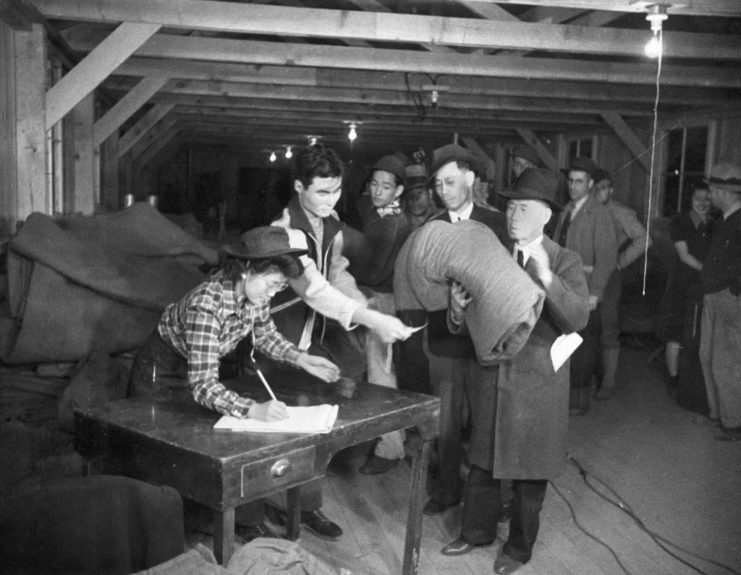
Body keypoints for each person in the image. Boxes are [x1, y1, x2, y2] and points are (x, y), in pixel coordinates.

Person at [127, 225, 342, 541]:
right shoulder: (208, 303)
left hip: (197, 369)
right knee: (175, 455)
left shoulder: (256, 293)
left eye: (279, 288)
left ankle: (243, 519)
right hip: (161, 373)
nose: (272, 294)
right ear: (247, 270)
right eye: (271, 285)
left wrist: (300, 358)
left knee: (226, 442)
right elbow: (202, 385)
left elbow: (265, 334)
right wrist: (253, 409)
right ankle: (196, 525)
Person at [441, 168, 589, 574]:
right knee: (483, 463)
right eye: (509, 206)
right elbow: (469, 317)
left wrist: (545, 275)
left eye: (523, 208)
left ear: (546, 215)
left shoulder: (565, 260)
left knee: (529, 473)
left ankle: (519, 549)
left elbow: (577, 317)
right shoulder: (493, 255)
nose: (512, 215)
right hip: (493, 375)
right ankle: (475, 533)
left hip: (537, 384)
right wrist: (456, 309)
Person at [422, 143, 508, 517]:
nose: (444, 191)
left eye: (451, 182)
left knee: (488, 427)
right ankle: (444, 493)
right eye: (439, 184)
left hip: (486, 345)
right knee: (446, 427)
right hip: (444, 344)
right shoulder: (430, 229)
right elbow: (423, 287)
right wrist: (448, 303)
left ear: (471, 179)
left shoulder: (501, 225)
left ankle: (488, 501)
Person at [351, 152, 414, 474]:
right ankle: (388, 438)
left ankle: (390, 449)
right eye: (374, 184)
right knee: (376, 373)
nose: (377, 191)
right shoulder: (378, 214)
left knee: (380, 376)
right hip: (374, 297)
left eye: (386, 187)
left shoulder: (392, 224)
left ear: (398, 191)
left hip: (379, 299)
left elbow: (373, 272)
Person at [552, 157, 617, 415]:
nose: (573, 186)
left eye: (579, 182)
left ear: (590, 184)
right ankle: (562, 397)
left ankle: (578, 402)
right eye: (570, 181)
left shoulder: (599, 214)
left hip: (585, 290)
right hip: (564, 287)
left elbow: (607, 257)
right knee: (564, 341)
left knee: (583, 345)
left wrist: (596, 292)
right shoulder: (567, 210)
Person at [591, 169, 652, 400]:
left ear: (611, 189)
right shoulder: (580, 209)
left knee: (608, 324)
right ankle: (583, 377)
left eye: (604, 187)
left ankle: (608, 381)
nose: (600, 192)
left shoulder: (619, 212)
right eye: (595, 187)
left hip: (609, 276)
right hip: (583, 274)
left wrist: (621, 261)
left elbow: (644, 238)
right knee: (582, 324)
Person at [699, 163, 741, 442]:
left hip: (727, 298)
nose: (710, 194)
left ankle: (733, 424)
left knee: (726, 362)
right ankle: (720, 414)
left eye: (713, 189)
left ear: (725, 192)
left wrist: (733, 289)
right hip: (714, 294)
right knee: (710, 357)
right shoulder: (726, 219)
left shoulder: (738, 221)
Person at [660, 186, 716, 397]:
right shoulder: (680, 222)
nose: (702, 203)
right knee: (675, 332)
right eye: (698, 199)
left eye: (707, 200)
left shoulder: (713, 224)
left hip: (704, 286)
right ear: (690, 200)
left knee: (699, 333)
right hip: (681, 284)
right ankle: (674, 380)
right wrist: (708, 271)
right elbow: (684, 256)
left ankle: (693, 380)